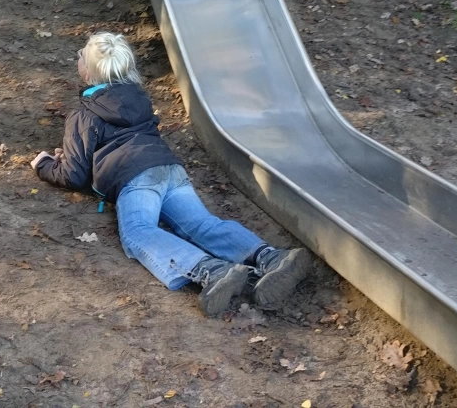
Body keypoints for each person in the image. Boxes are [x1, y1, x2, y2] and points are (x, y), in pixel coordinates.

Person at [32, 33, 315, 316]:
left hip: (135, 178)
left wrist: (45, 164)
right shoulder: (138, 99)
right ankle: (270, 257)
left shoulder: (84, 115)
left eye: (81, 55)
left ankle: (211, 270)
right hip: (168, 169)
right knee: (203, 224)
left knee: (138, 231)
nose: (78, 57)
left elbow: (73, 175)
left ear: (89, 71)